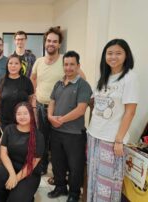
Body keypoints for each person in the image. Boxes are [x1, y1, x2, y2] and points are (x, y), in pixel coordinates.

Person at [87, 39, 138, 202]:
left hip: (112, 139)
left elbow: (130, 112)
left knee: (108, 184)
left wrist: (119, 140)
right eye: (109, 53)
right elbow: (94, 102)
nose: (113, 57)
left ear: (126, 55)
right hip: (94, 134)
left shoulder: (129, 78)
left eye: (118, 53)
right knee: (94, 179)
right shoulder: (105, 76)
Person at [30, 26, 86, 176]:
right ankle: (42, 167)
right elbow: (33, 79)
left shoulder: (65, 61)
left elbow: (82, 79)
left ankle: (60, 172)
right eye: (49, 41)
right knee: (42, 139)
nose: (51, 44)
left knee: (58, 143)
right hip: (41, 107)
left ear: (59, 44)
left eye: (55, 41)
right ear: (45, 42)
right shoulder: (39, 62)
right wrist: (34, 99)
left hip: (61, 109)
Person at [47, 51, 92, 202]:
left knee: (75, 166)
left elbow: (81, 109)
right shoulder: (58, 83)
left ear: (78, 66)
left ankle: (73, 193)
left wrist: (61, 120)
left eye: (72, 64)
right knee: (57, 163)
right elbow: (52, 102)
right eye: (66, 64)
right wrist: (49, 116)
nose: (68, 67)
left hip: (74, 134)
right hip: (56, 131)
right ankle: (60, 187)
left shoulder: (83, 85)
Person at [0, 102, 45, 202]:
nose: (22, 116)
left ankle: (25, 196)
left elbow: (31, 164)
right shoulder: (9, 129)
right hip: (12, 166)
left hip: (29, 173)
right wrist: (12, 174)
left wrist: (16, 179)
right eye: (19, 114)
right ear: (15, 116)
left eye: (25, 113)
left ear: (31, 115)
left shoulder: (38, 136)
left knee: (16, 199)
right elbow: (3, 154)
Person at [0, 54, 34, 130]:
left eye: (16, 63)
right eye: (10, 63)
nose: (13, 66)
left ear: (21, 66)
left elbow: (31, 101)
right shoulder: (1, 81)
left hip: (23, 122)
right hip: (6, 123)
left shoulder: (27, 81)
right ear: (7, 65)